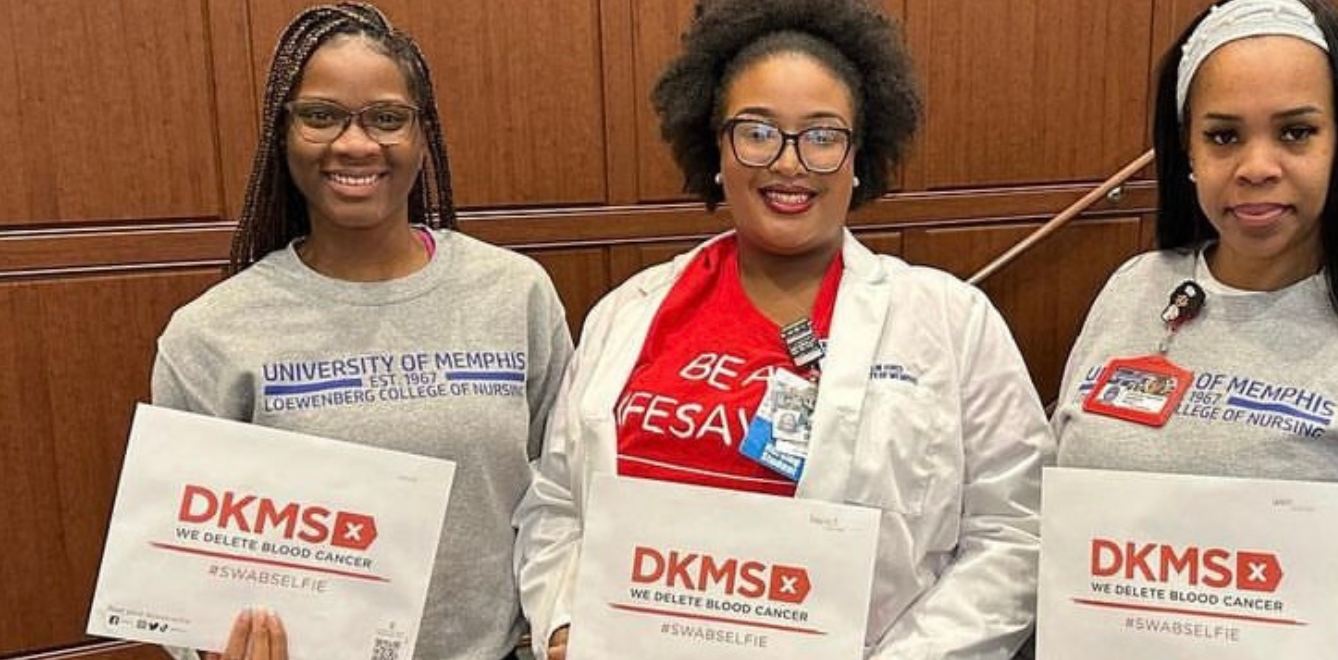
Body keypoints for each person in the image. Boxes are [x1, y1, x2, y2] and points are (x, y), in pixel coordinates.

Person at [511, 1, 1050, 658]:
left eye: (822, 136)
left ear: (860, 157)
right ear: (716, 148)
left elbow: (1016, 534)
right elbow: (558, 505)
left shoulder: (951, 323)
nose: (790, 163)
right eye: (758, 131)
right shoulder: (630, 312)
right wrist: (566, 620)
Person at [1050, 0, 1338, 658]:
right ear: (1186, 149)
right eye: (1223, 136)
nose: (1256, 166)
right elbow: (1055, 530)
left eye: (1295, 133)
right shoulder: (1133, 290)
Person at [149, 4, 573, 660]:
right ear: (282, 134)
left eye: (386, 117)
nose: (355, 143)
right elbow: (179, 571)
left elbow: (564, 492)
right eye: (320, 116)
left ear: (423, 135)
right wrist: (211, 647)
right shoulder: (210, 335)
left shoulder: (515, 293)